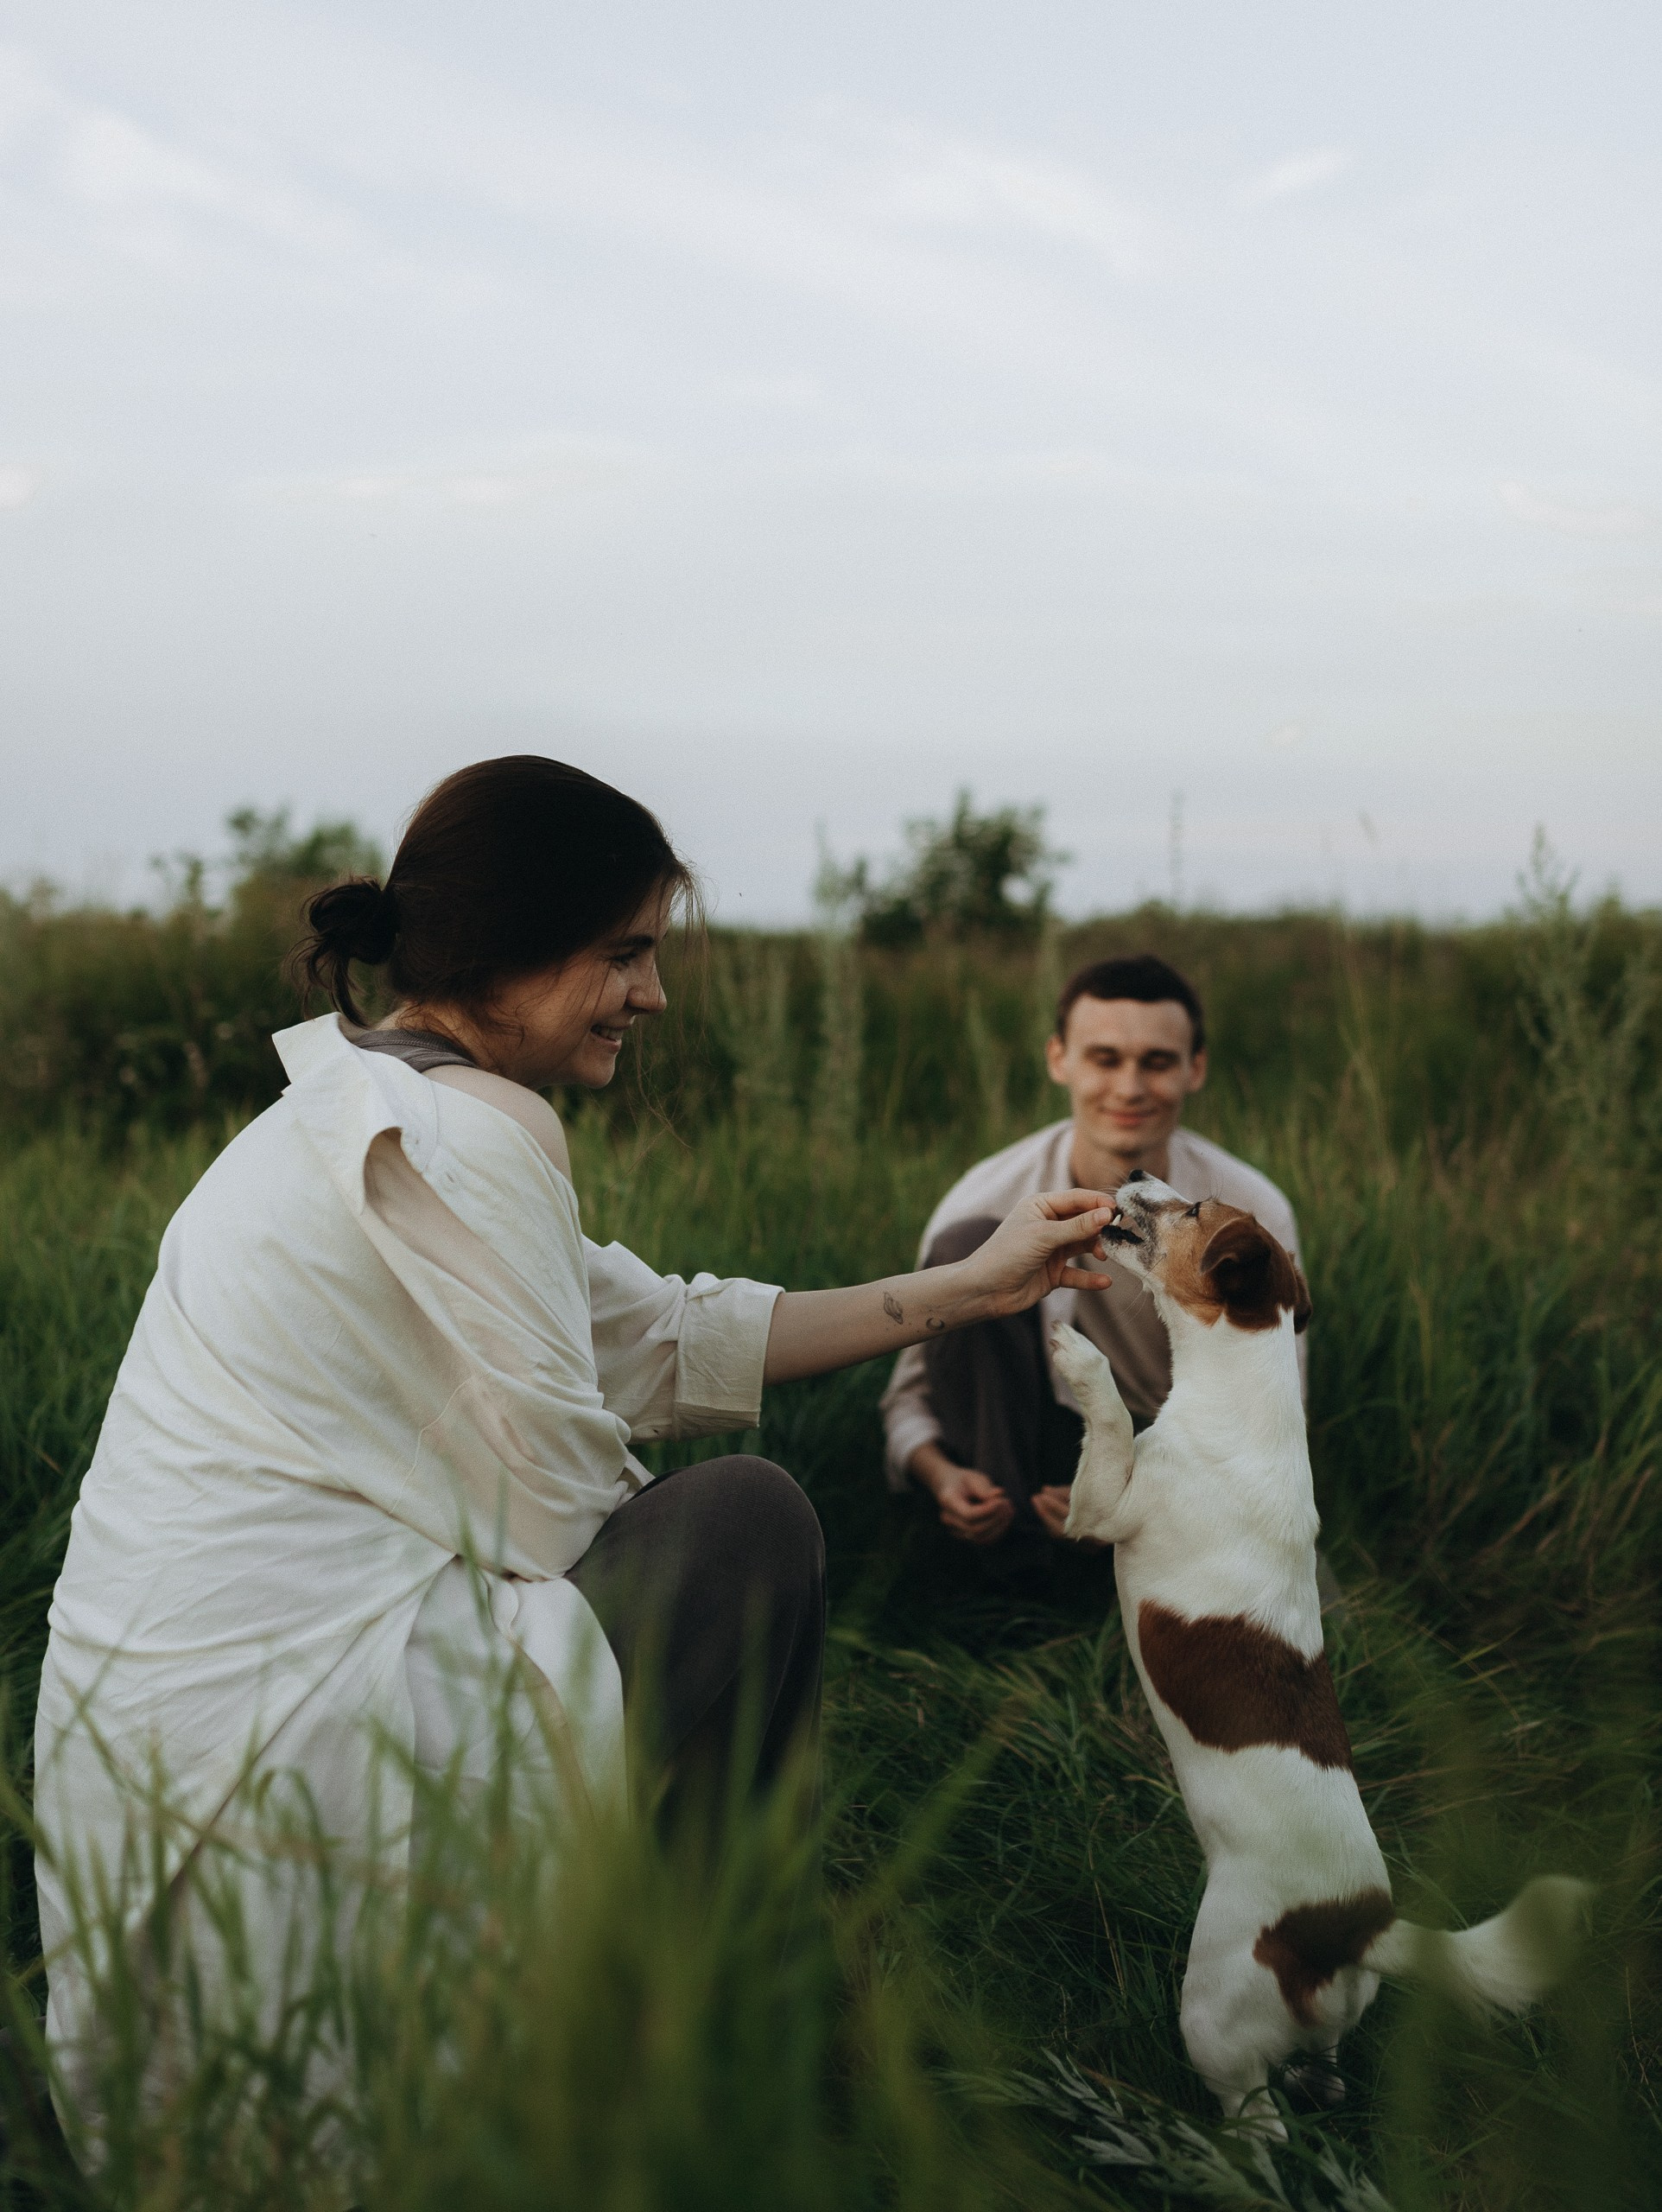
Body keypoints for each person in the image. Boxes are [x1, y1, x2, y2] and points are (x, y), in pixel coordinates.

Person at [32, 756, 1119, 2144]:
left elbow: (651, 1333)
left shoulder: (354, 1099)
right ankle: (735, 2031)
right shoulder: (473, 1129)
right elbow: (557, 1509)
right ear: (506, 947)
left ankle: (708, 1999)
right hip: (303, 1742)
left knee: (705, 1539)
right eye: (624, 952)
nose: (651, 995)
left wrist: (975, 1283)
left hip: (155, 1767)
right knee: (747, 1527)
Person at [881, 954, 1304, 1560]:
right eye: (1105, 1059)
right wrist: (941, 1477)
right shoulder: (987, 1194)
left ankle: (1113, 1573)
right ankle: (1001, 1565)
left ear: (1196, 1068)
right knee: (967, 1245)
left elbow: (1272, 1417)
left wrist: (1136, 1501)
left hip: (1167, 1460)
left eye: (1157, 1062)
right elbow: (909, 1395)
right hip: (1014, 1449)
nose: (1129, 1089)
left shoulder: (1249, 1214)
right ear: (1060, 1060)